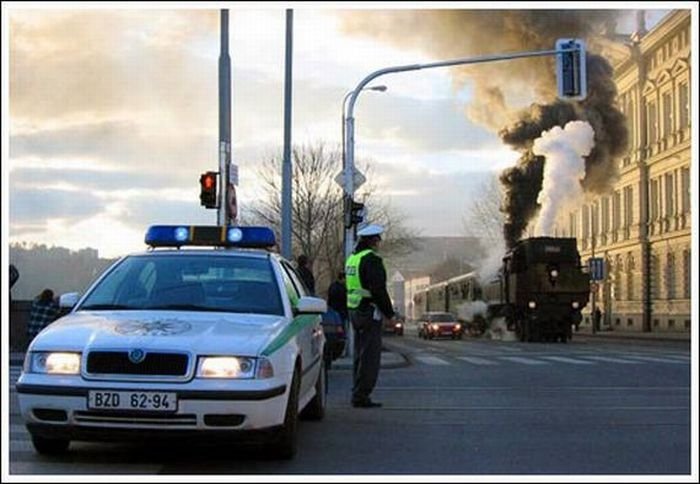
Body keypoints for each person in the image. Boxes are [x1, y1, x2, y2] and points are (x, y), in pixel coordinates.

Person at [345, 224, 397, 408]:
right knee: (370, 357)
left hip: (354, 310)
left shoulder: (353, 258)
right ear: (373, 240)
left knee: (360, 354)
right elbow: (378, 290)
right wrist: (390, 314)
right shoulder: (372, 260)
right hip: (368, 311)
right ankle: (361, 395)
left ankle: (357, 391)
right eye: (378, 239)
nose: (380, 242)